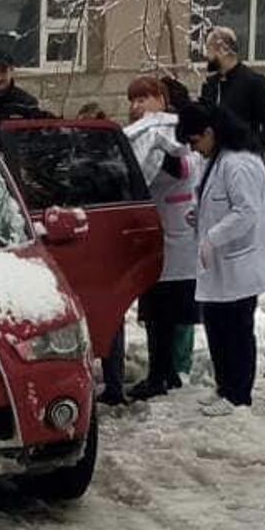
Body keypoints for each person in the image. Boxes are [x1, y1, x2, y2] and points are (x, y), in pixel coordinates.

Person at [176, 102, 265, 413]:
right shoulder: (218, 159)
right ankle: (225, 385)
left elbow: (246, 211)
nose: (195, 150)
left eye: (195, 142)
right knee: (216, 323)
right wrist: (198, 217)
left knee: (236, 328)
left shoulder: (239, 163)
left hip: (242, 262)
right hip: (221, 263)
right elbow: (215, 201)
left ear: (210, 132)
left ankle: (239, 393)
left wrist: (213, 235)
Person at [123, 74, 199, 399]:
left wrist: (156, 150)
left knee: (167, 312)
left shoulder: (174, 132)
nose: (137, 106)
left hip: (177, 235)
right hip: (155, 237)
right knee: (155, 314)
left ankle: (164, 375)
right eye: (134, 100)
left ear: (162, 100)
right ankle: (162, 372)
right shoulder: (139, 135)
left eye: (144, 98)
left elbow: (185, 168)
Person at [74, 101, 128, 405]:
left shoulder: (106, 157)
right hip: (91, 244)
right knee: (104, 315)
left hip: (100, 245)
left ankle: (112, 383)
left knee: (108, 315)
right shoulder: (103, 153)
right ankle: (108, 380)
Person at [198, 28, 265, 153]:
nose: (206, 55)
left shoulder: (254, 82)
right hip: (214, 159)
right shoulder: (210, 84)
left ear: (222, 50)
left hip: (242, 158)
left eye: (209, 49)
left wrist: (253, 148)